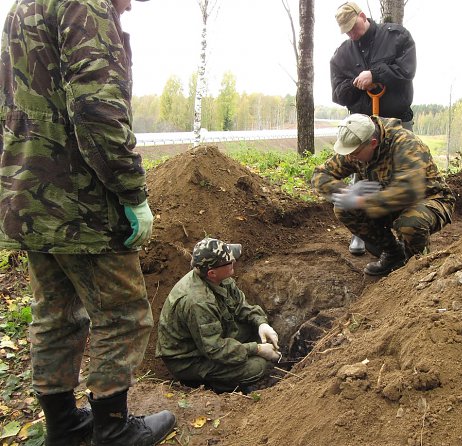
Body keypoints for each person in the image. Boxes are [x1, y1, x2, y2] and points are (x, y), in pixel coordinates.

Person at [0, 1, 176, 445]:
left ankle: (63, 423)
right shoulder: (86, 5)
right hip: (80, 200)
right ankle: (113, 429)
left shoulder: (25, 6)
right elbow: (97, 111)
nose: (133, 4)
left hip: (28, 193)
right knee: (124, 314)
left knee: (54, 313)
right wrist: (132, 192)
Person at [311, 114, 454, 276]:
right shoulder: (357, 146)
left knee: (410, 223)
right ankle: (394, 254)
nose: (350, 157)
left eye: (355, 153)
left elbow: (408, 191)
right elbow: (320, 174)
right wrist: (345, 192)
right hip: (385, 201)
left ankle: (420, 267)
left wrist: (361, 200)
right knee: (343, 208)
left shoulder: (406, 144)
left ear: (372, 143)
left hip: (431, 199)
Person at [330, 1, 417, 256]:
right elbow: (337, 93)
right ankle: (363, 232)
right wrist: (357, 85)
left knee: (402, 174)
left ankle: (406, 234)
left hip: (397, 121)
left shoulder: (397, 37)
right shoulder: (341, 55)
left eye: (354, 28)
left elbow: (406, 71)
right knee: (361, 175)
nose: (352, 34)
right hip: (362, 126)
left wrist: (375, 74)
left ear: (363, 16)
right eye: (346, 31)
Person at [156, 237, 281, 393]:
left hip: (209, 339)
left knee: (260, 333)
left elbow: (241, 307)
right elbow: (214, 349)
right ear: (212, 272)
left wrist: (261, 323)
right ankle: (220, 387)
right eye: (229, 261)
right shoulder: (198, 302)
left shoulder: (220, 279)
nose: (234, 260)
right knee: (257, 367)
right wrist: (257, 349)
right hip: (189, 358)